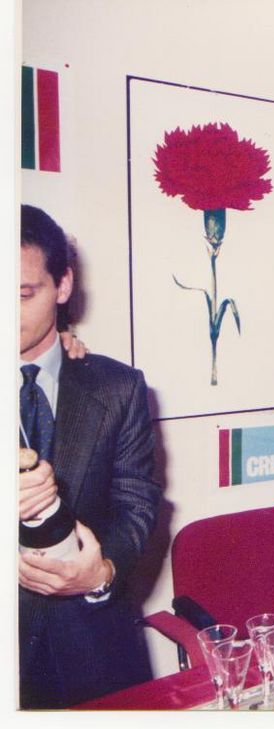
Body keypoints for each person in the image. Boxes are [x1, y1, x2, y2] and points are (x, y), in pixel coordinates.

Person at [19, 205, 161, 708]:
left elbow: (136, 505)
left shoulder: (118, 387)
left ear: (62, 285)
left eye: (22, 294)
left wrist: (100, 573)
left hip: (95, 650)